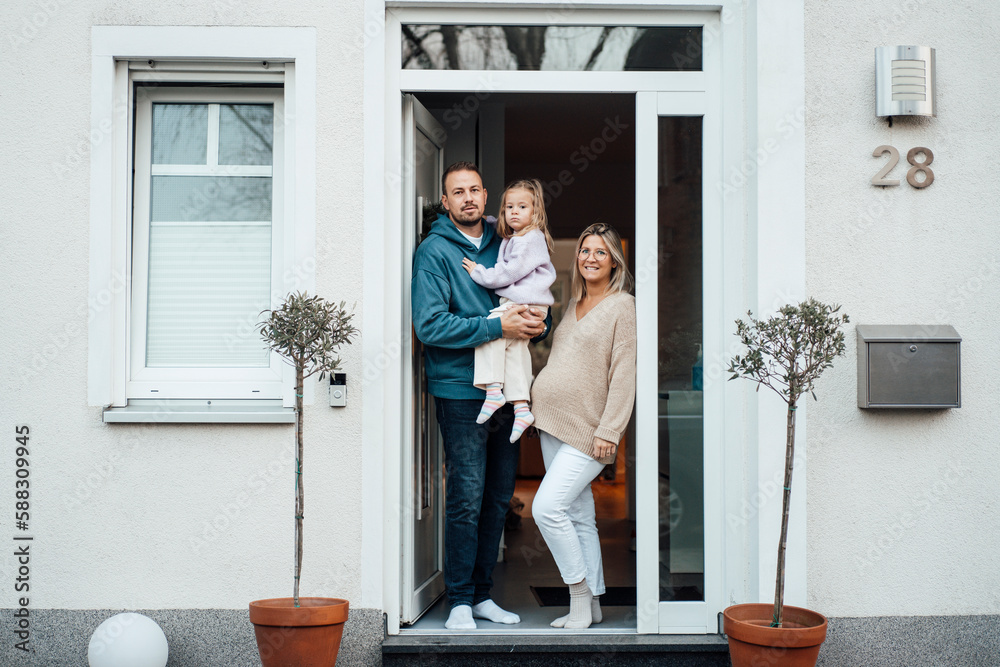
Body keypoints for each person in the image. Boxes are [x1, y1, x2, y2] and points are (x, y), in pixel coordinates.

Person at [411, 162, 549, 630]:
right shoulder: (433, 252)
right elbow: (429, 325)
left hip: (508, 390)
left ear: (486, 195)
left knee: (497, 497)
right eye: (457, 192)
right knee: (467, 496)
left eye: (474, 190)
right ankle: (461, 602)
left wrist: (536, 322)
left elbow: (528, 293)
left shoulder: (507, 239)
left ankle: (485, 594)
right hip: (460, 389)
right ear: (446, 202)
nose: (467, 198)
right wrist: (497, 324)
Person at [529, 222, 636, 629]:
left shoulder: (622, 306)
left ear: (614, 262)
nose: (591, 258)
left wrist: (610, 430)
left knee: (546, 508)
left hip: (590, 430)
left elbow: (625, 373)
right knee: (578, 516)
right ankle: (591, 606)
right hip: (553, 422)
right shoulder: (571, 306)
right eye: (585, 250)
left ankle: (576, 596)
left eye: (601, 252)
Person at [461, 179, 556, 443]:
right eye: (509, 207)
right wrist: (490, 219)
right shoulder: (518, 236)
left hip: (524, 303)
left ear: (535, 212)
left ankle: (493, 390)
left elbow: (509, 272)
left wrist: (479, 272)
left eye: (522, 206)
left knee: (489, 332)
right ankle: (522, 407)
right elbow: (498, 223)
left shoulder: (528, 240)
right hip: (528, 302)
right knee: (515, 352)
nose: (514, 212)